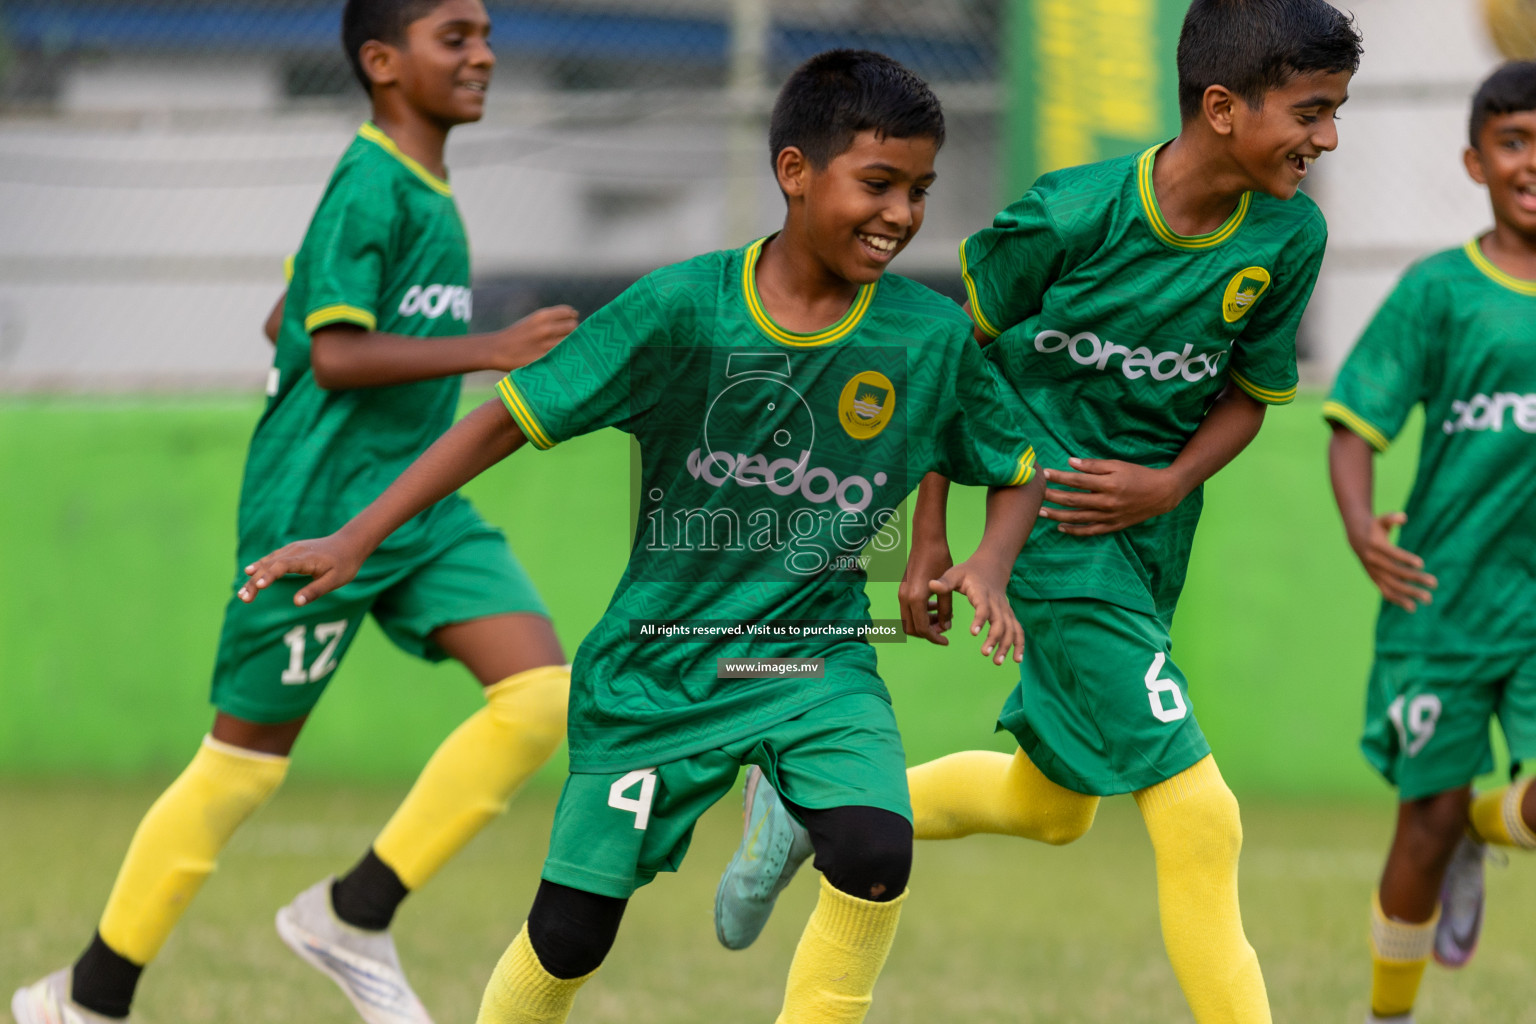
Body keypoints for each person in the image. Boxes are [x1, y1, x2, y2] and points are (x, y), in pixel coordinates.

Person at [235, 48, 1044, 1024]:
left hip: (814, 661)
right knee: (572, 934)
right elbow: (508, 415)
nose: (902, 214)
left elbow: (1010, 462)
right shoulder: (680, 311)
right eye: (878, 183)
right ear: (794, 172)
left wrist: (980, 558)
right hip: (656, 670)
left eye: (919, 189)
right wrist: (358, 536)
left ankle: (792, 811)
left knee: (877, 855)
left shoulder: (928, 332)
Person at [713, 3, 1362, 1022]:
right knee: (1203, 814)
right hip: (1052, 524)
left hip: (1146, 534)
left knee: (1052, 806)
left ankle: (808, 799)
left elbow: (1247, 392)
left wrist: (1170, 481)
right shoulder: (1071, 216)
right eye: (1312, 112)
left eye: (1338, 113)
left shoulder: (1290, 235)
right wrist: (935, 531)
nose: (1328, 138)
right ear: (1225, 107)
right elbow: (947, 358)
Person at [10, 2, 577, 1023]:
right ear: (383, 63)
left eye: (486, 32)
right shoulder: (373, 180)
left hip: (419, 507)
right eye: (455, 36)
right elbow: (331, 351)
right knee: (240, 771)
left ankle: (352, 914)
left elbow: (285, 314)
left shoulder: (420, 183)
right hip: (316, 517)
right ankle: (86, 997)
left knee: (539, 694)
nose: (484, 53)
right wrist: (490, 349)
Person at [1322, 60, 1536, 1024]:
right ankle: (1388, 1016)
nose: (1532, 162)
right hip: (1440, 604)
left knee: (1467, 818)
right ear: (1474, 159)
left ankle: (1479, 830)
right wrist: (1365, 530)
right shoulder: (1439, 290)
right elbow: (1355, 423)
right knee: (1423, 822)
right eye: (1514, 142)